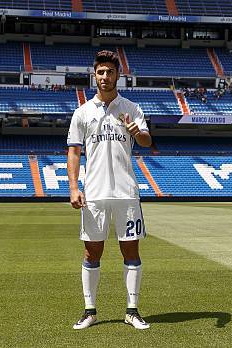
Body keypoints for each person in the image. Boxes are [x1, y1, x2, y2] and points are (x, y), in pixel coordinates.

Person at [67, 50, 152, 331]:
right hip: (94, 193)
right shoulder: (82, 112)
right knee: (92, 254)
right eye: (101, 72)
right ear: (95, 75)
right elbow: (74, 152)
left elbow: (147, 141)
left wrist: (135, 131)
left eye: (110, 72)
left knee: (131, 252)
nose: (105, 77)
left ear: (118, 75)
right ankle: (90, 311)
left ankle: (132, 310)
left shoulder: (131, 108)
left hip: (126, 193)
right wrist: (73, 187)